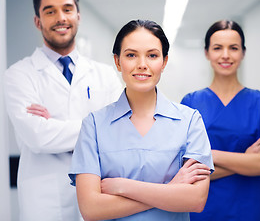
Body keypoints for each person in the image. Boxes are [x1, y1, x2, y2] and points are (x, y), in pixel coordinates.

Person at [68, 19, 214, 220]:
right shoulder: (93, 125)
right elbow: (91, 209)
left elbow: (196, 200)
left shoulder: (189, 121)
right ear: (118, 62)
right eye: (131, 55)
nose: (142, 65)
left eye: (152, 55)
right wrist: (171, 189)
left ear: (164, 62)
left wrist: (123, 186)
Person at [3, 0, 122, 220]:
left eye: (67, 9)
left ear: (78, 15)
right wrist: (98, 127)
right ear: (38, 21)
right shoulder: (18, 75)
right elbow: (37, 137)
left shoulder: (105, 74)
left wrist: (54, 125)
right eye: (50, 11)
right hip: (45, 200)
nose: (61, 18)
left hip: (99, 191)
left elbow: (120, 129)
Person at [181, 20, 260, 221]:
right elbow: (186, 172)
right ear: (207, 53)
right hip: (204, 212)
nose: (226, 55)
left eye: (234, 48)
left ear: (243, 53)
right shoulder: (191, 102)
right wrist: (246, 159)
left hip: (249, 212)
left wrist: (209, 155)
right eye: (217, 48)